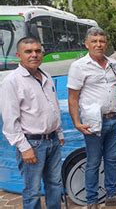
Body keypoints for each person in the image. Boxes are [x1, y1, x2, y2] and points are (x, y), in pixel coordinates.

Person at [67, 27, 116, 208]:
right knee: (94, 163)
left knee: (112, 160)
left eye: (102, 41)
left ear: (106, 43)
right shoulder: (79, 66)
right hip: (93, 123)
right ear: (86, 44)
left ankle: (112, 197)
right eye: (94, 41)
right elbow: (73, 97)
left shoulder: (114, 65)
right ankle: (92, 202)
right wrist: (76, 122)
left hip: (114, 119)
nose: (99, 44)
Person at [0, 37, 64, 209]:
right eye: (28, 51)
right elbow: (10, 120)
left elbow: (53, 106)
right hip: (32, 144)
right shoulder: (12, 82)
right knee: (33, 190)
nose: (34, 55)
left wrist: (59, 132)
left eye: (38, 50)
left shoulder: (46, 76)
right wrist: (24, 147)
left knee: (55, 184)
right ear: (18, 55)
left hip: (53, 141)